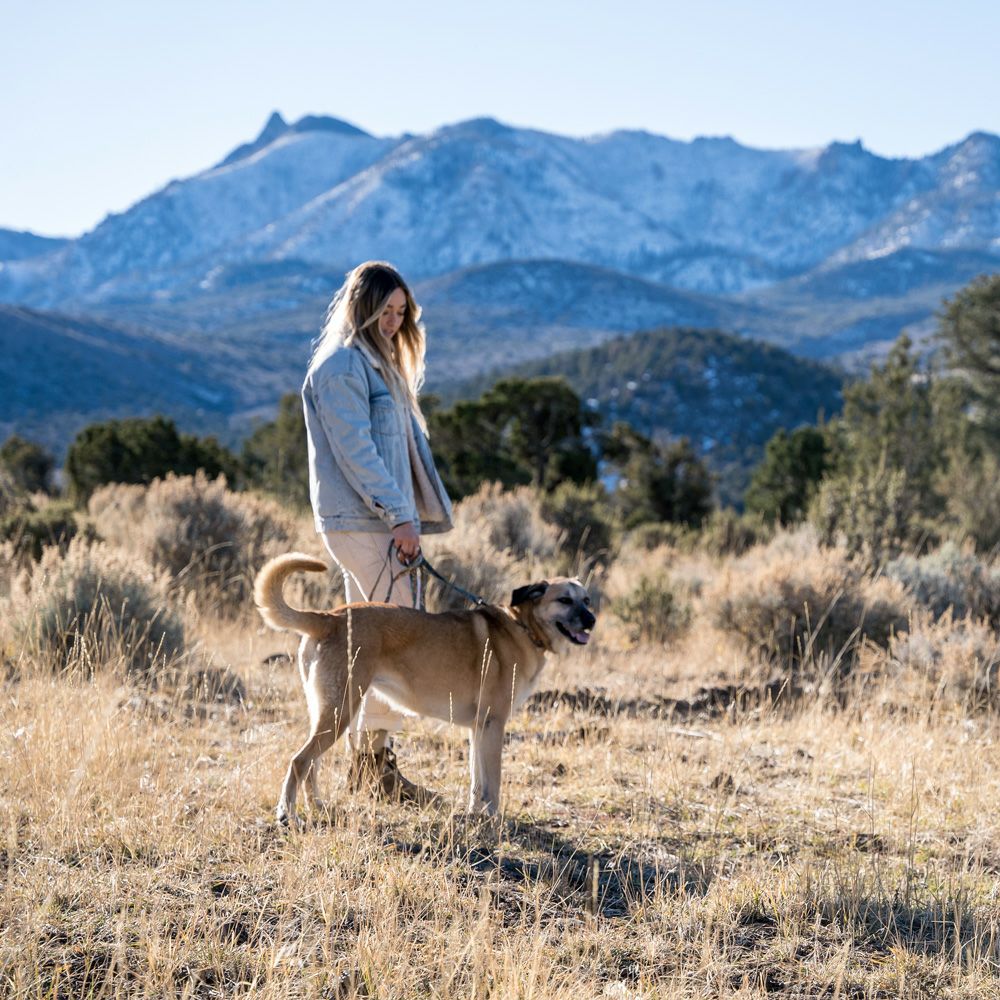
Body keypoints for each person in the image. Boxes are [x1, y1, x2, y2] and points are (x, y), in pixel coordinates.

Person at [302, 260, 453, 803]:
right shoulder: (344, 366)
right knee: (394, 645)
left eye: (401, 312)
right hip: (368, 523)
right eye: (385, 311)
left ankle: (368, 766)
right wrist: (400, 516)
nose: (393, 322)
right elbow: (358, 454)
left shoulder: (372, 364)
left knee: (367, 645)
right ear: (362, 307)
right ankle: (374, 770)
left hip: (372, 522)